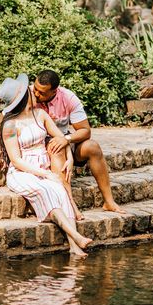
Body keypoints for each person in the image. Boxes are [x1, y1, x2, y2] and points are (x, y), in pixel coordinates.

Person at [0, 73, 93, 258]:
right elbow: (16, 160)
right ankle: (75, 236)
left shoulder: (40, 115)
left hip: (42, 167)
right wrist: (45, 174)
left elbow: (60, 137)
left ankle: (74, 246)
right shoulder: (10, 125)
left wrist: (70, 159)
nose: (34, 93)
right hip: (23, 171)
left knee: (60, 191)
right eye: (29, 92)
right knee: (45, 191)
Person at [32, 70, 124, 214]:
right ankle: (68, 205)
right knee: (57, 148)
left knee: (92, 147)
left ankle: (109, 201)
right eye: (35, 88)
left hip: (63, 140)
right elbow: (4, 121)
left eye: (41, 93)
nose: (36, 94)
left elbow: (85, 131)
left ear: (55, 91)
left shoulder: (68, 98)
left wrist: (66, 139)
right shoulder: (27, 95)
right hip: (37, 146)